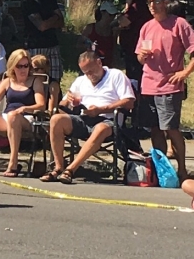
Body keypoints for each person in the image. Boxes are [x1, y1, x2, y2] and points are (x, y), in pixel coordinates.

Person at [137, 0, 194, 181]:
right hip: (148, 84)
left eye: (156, 1)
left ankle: (182, 170)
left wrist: (185, 72)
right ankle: (161, 171)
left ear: (165, 2)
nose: (152, 5)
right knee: (155, 130)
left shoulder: (178, 24)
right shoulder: (146, 27)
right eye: (148, 2)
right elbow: (140, 58)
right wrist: (142, 56)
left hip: (169, 86)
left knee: (171, 129)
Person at [40, 50, 136, 184]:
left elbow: (129, 101)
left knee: (100, 129)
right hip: (84, 118)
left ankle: (71, 170)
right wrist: (70, 100)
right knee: (56, 119)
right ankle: (58, 167)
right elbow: (63, 104)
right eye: (86, 72)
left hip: (107, 120)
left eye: (91, 71)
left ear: (99, 62)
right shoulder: (81, 80)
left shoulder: (116, 75)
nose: (90, 76)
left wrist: (101, 109)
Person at [0, 49, 47, 176]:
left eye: (26, 66)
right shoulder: (7, 81)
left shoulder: (35, 81)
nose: (23, 69)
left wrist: (26, 108)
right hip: (8, 117)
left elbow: (41, 105)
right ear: (13, 66)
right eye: (19, 66)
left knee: (13, 116)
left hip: (27, 118)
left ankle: (13, 162)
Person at [22, 0, 64, 86]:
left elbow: (62, 21)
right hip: (35, 45)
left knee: (55, 78)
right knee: (36, 77)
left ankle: (54, 102)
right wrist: (54, 18)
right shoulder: (28, 0)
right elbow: (41, 26)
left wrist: (52, 21)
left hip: (52, 43)